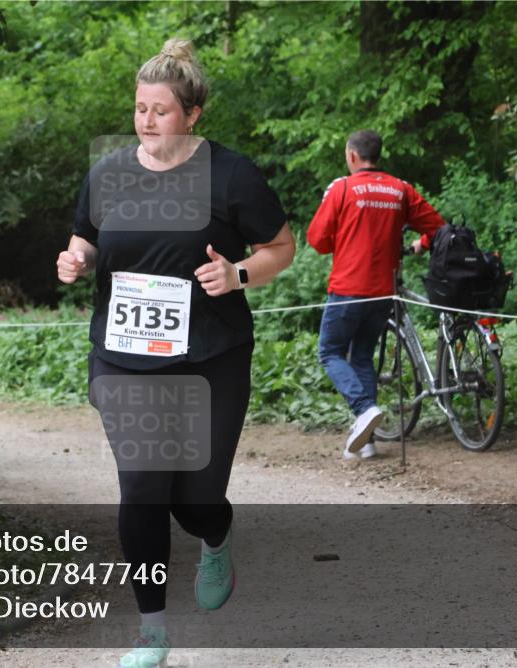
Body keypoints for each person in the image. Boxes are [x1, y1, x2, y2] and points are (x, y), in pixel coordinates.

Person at [57, 39, 295, 668]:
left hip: (209, 357)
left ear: (191, 114)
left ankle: (216, 535)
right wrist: (76, 258)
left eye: (160, 110)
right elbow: (84, 236)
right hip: (124, 357)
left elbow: (281, 246)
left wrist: (237, 275)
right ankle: (152, 633)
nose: (146, 120)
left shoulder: (230, 174)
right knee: (141, 488)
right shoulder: (108, 172)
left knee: (194, 498)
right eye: (140, 108)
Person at [307, 130, 444, 459]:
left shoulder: (342, 188)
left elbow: (317, 240)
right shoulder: (400, 189)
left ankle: (364, 408)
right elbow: (438, 229)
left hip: (347, 288)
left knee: (330, 352)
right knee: (363, 356)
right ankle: (366, 442)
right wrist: (420, 245)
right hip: (385, 292)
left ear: (352, 155)